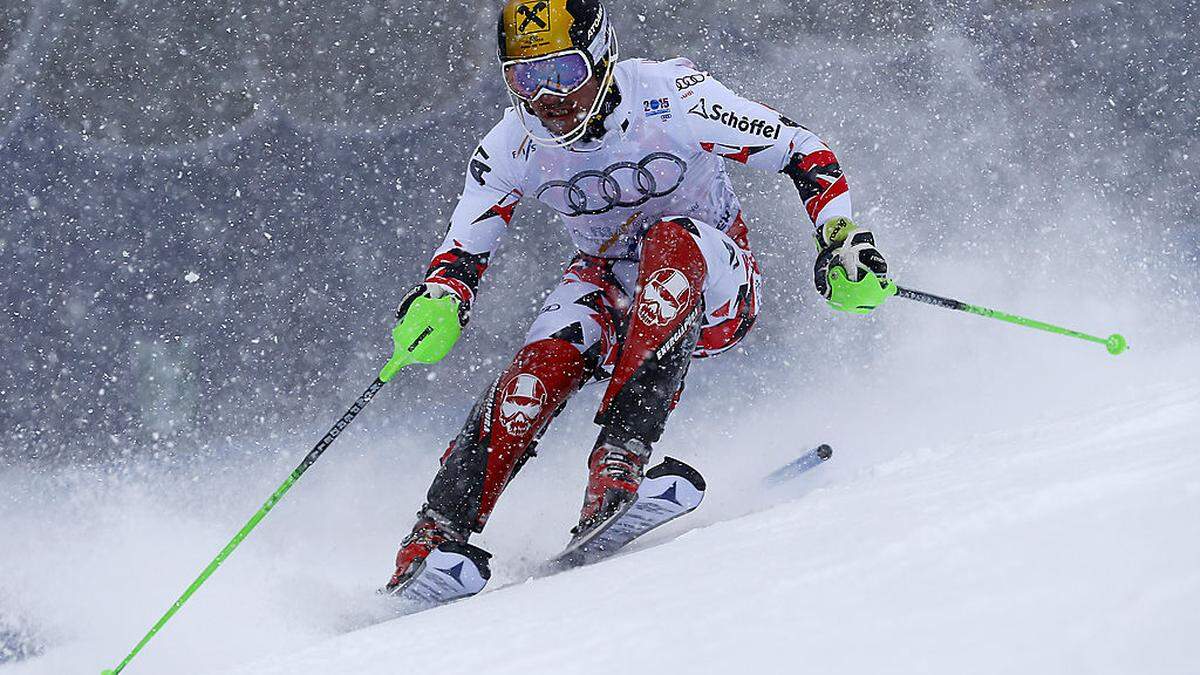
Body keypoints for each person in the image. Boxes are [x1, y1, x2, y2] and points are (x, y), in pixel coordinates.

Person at [384, 0, 893, 592]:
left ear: (601, 56)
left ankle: (620, 459)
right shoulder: (511, 147)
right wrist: (441, 299)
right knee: (537, 369)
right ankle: (434, 534)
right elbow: (463, 250)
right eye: (526, 78)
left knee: (670, 240)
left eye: (564, 73)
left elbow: (801, 149)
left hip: (712, 283)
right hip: (610, 285)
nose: (547, 98)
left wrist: (840, 240)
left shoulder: (672, 96)